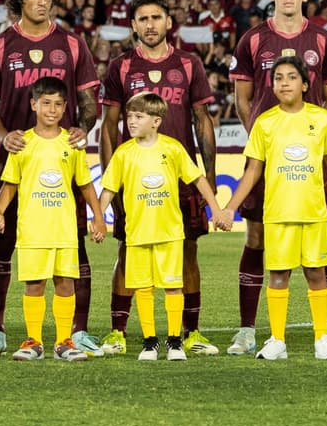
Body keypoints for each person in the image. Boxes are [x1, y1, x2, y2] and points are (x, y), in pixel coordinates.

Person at [225, 0, 327, 357]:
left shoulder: (322, 39)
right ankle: (247, 330)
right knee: (256, 238)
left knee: (323, 241)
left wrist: (312, 137)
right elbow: (243, 100)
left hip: (310, 157)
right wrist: (266, 140)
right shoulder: (252, 39)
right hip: (269, 154)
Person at [0, 0, 101, 357]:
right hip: (14, 159)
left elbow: (89, 103)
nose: (42, 1)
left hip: (62, 160)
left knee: (73, 248)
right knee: (1, 244)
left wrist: (84, 128)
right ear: (19, 0)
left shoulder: (73, 45)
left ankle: (77, 332)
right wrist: (3, 135)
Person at [216, 58, 327, 361]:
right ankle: (277, 340)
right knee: (278, 275)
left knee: (316, 274)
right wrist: (229, 208)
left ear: (305, 84)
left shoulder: (321, 119)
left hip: (313, 213)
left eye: (292, 77)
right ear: (271, 85)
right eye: (279, 77)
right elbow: (253, 171)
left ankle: (322, 338)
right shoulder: (264, 122)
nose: (284, 82)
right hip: (278, 214)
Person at [99, 0, 218, 355]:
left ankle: (191, 332)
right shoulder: (121, 67)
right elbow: (109, 126)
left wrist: (210, 177)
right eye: (142, 19)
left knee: (188, 251)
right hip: (135, 179)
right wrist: (112, 180)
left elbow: (202, 120)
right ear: (133, 25)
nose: (150, 25)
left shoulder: (189, 64)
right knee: (127, 249)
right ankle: (118, 331)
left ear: (168, 21)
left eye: (155, 17)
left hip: (180, 176)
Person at [96, 91, 230, 362]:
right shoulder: (123, 153)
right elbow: (108, 189)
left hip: (170, 233)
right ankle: (150, 342)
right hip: (137, 234)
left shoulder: (173, 149)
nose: (131, 121)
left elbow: (198, 179)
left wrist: (216, 209)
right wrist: (98, 218)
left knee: (173, 286)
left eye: (138, 116)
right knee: (143, 288)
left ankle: (175, 341)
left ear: (156, 121)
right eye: (129, 116)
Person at [0, 78, 104, 361]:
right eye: (46, 103)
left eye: (57, 104)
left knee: (65, 282)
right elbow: (10, 185)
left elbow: (85, 184)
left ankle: (64, 342)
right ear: (34, 105)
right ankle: (34, 341)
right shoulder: (22, 143)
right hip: (32, 229)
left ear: (65, 107)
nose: (52, 110)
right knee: (35, 284)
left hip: (64, 228)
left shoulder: (72, 143)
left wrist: (98, 217)